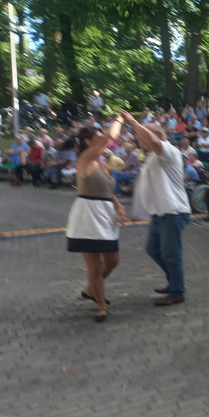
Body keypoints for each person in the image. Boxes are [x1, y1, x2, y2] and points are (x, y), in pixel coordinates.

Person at [121, 111, 192, 306]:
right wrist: (138, 211)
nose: (139, 139)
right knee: (153, 249)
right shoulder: (153, 156)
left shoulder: (169, 150)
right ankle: (175, 282)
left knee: (171, 254)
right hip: (160, 212)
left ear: (159, 135)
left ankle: (177, 291)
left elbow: (152, 141)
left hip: (173, 211)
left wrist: (133, 122)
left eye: (143, 135)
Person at [65, 123, 127, 323]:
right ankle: (101, 306)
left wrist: (118, 205)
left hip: (105, 214)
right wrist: (120, 120)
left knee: (113, 261)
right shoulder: (85, 159)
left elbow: (106, 188)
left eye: (102, 137)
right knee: (95, 266)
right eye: (98, 137)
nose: (103, 140)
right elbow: (110, 138)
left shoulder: (100, 162)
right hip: (87, 216)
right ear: (88, 142)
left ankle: (91, 289)